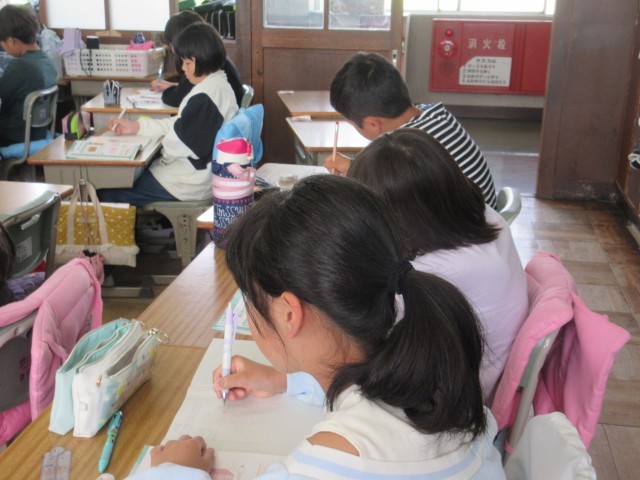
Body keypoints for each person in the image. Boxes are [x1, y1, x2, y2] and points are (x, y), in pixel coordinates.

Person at [127, 175, 505, 479]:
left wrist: (175, 471)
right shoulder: (434, 371)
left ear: (289, 314)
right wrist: (284, 380)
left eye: (250, 302)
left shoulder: (322, 465)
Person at [348, 128, 528, 403]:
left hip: (446, 405)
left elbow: (365, 342)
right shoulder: (484, 218)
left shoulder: (433, 275)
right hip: (461, 377)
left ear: (398, 217)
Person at [325, 52, 497, 208]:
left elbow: (387, 203)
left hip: (461, 228)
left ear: (373, 124)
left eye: (354, 125)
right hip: (476, 218)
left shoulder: (409, 147)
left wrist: (355, 171)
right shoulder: (433, 115)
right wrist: (354, 168)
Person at [99, 23, 238, 206]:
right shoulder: (215, 86)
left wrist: (156, 141)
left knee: (106, 192)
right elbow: (180, 125)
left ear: (204, 59)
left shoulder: (207, 96)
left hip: (185, 181)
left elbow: (178, 144)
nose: (183, 69)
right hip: (191, 175)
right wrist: (137, 127)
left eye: (188, 63)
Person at [151, 10, 245, 108]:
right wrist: (170, 86)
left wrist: (167, 91)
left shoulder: (198, 63)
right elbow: (188, 89)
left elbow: (178, 99)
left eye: (171, 42)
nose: (172, 48)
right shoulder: (211, 56)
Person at [0, 4, 57, 147]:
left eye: (2, 43)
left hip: (14, 136)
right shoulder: (48, 62)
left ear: (12, 41)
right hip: (38, 133)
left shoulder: (19, 67)